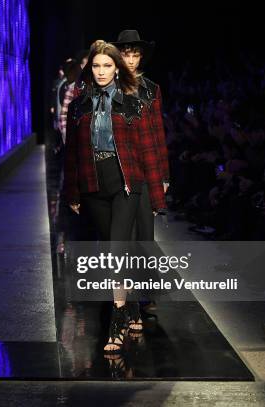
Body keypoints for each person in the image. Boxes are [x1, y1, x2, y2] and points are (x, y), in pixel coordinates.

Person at [63, 41, 166, 353]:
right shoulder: (79, 104)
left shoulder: (133, 101)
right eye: (97, 66)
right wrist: (73, 190)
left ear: (117, 67)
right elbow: (72, 154)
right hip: (94, 184)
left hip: (127, 184)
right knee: (114, 250)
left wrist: (157, 196)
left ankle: (117, 322)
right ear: (90, 69)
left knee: (118, 250)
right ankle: (131, 303)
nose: (102, 71)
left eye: (108, 66)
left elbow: (149, 149)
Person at [114, 29, 171, 325]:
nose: (132, 60)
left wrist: (163, 174)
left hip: (146, 167)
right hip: (118, 169)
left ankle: (143, 293)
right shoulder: (107, 86)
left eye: (136, 54)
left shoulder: (151, 88)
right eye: (127, 54)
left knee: (145, 234)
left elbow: (158, 134)